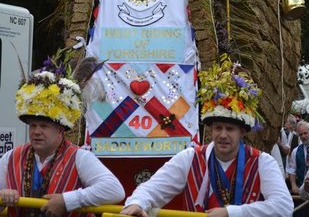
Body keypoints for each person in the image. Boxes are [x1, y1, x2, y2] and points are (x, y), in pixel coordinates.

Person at [120, 53, 294, 216]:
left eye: (230, 129)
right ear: (211, 130)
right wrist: (138, 202)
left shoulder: (262, 161)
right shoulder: (190, 158)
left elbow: (284, 206)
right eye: (218, 128)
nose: (223, 135)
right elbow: (153, 188)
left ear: (242, 132)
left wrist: (230, 213)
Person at [0, 57, 125, 216]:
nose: (36, 131)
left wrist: (68, 201)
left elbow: (114, 190)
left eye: (44, 126)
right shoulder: (11, 157)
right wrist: (3, 195)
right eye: (33, 126)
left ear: (60, 130)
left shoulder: (80, 157)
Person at [288, 120, 309, 195]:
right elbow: (292, 170)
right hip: (302, 190)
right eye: (300, 134)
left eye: (305, 133)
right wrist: (293, 185)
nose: (303, 136)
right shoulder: (295, 151)